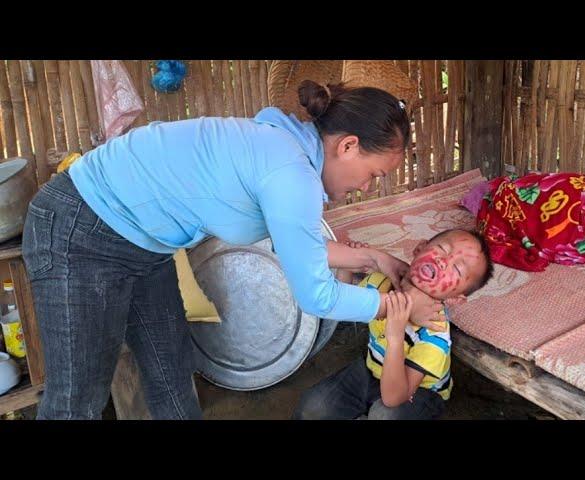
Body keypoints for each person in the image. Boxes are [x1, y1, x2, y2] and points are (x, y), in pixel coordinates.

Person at [21, 80, 443, 420]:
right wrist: (396, 308)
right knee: (75, 403)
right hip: (82, 230)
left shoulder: (286, 147)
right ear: (348, 146)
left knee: (171, 375)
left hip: (143, 246)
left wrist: (374, 258)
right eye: (373, 174)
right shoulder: (291, 173)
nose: (366, 187)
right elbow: (315, 295)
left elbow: (299, 248)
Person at [292, 229, 494, 420]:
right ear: (419, 248)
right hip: (373, 368)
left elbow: (394, 397)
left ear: (456, 299)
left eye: (457, 269)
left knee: (384, 415)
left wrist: (395, 337)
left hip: (416, 391)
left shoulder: (435, 331)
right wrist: (348, 264)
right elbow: (344, 301)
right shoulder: (380, 283)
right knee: (313, 408)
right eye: (443, 249)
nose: (443, 262)